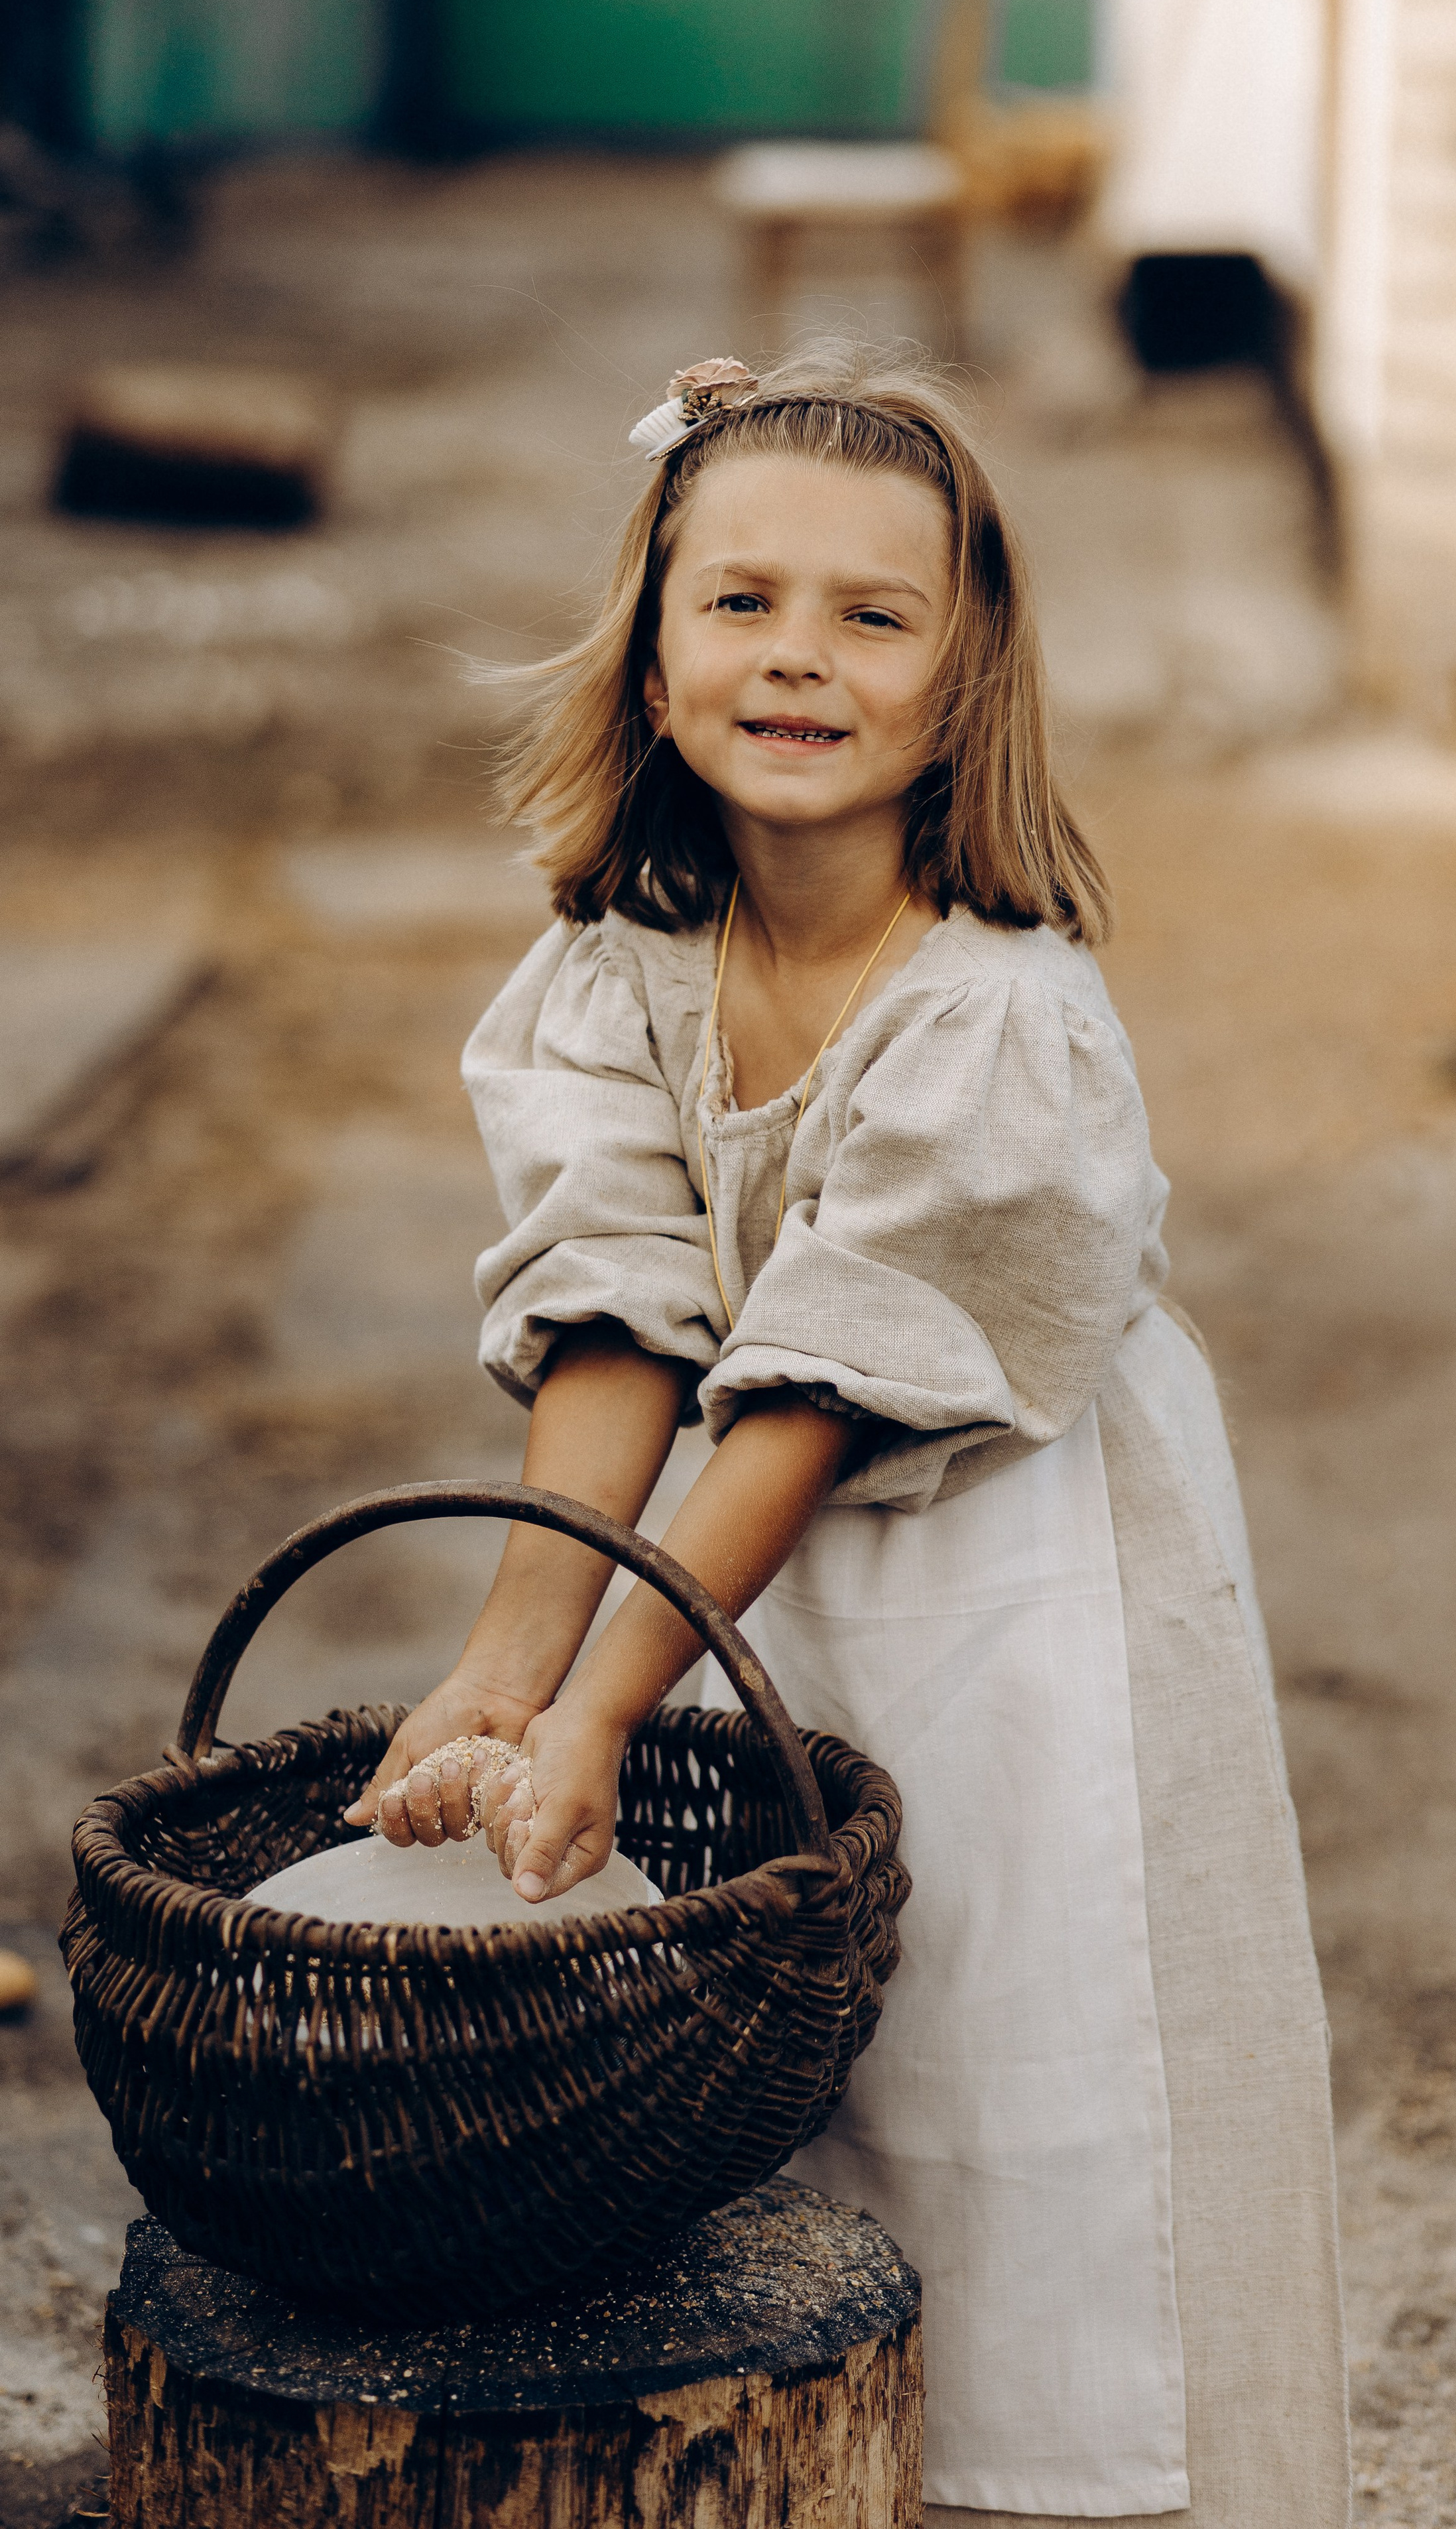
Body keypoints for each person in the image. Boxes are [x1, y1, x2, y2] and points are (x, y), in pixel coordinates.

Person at [345, 350, 1349, 2528]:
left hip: (1024, 1587)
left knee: (1036, 2058)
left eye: (873, 617)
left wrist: (606, 1706)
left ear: (963, 690)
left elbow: (813, 1392)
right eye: (742, 602)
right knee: (814, 2058)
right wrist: (510, 1673)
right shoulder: (624, 967)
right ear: (653, 658)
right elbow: (621, 1328)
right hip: (751, 1580)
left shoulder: (1000, 1014)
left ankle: (1072, 2484)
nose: (798, 655)